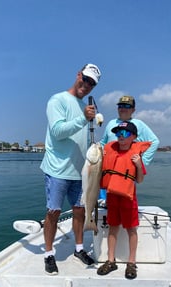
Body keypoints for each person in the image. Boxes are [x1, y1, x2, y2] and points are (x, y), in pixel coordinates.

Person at [40, 63, 102, 275]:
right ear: (78, 75)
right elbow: (58, 132)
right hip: (57, 169)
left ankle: (78, 249)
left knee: (80, 212)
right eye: (85, 79)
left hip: (80, 171)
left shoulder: (85, 106)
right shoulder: (57, 100)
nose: (87, 85)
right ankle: (49, 254)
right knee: (53, 212)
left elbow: (82, 139)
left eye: (92, 83)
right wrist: (83, 118)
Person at [97, 121, 151, 279]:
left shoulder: (136, 155)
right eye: (118, 133)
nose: (121, 136)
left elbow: (139, 180)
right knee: (112, 227)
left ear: (133, 137)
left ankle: (131, 262)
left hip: (128, 198)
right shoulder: (109, 151)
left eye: (125, 133)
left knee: (131, 229)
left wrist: (139, 165)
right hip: (112, 197)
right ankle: (110, 260)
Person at [100, 95, 159, 166]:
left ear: (133, 110)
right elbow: (103, 143)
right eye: (120, 106)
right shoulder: (111, 123)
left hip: (129, 167)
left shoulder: (139, 124)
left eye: (127, 106)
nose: (123, 108)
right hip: (109, 165)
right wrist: (100, 151)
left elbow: (155, 142)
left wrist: (143, 161)